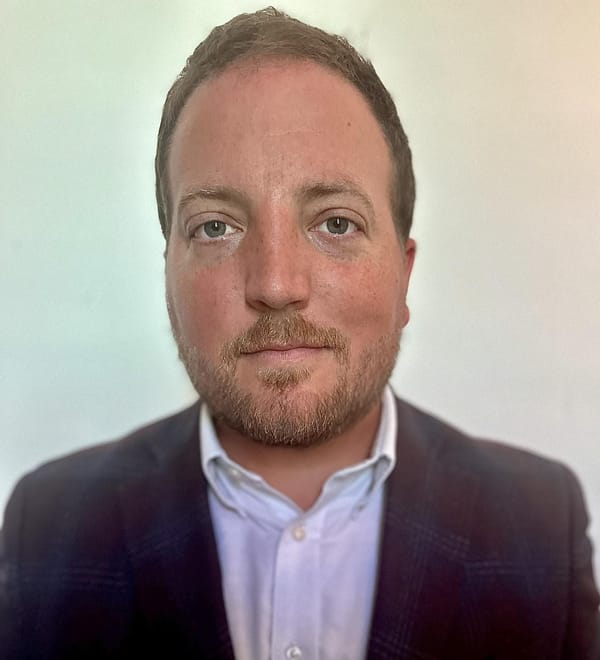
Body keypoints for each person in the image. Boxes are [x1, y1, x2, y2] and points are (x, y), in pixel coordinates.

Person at [1, 7, 599, 659]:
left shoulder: (539, 526)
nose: (276, 284)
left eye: (336, 223)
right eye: (215, 227)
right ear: (168, 275)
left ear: (403, 276)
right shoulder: (49, 530)